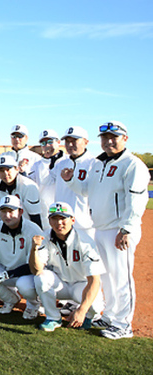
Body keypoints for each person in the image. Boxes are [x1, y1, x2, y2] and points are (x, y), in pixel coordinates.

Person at [62, 121, 149, 339]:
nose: (109, 141)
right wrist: (70, 180)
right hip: (99, 228)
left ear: (125, 139)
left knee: (121, 278)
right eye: (105, 138)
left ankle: (123, 324)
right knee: (107, 277)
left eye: (114, 137)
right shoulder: (98, 163)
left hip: (119, 229)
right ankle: (110, 316)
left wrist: (127, 228)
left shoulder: (132, 164)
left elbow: (137, 200)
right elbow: (85, 190)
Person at [29, 202, 105, 332]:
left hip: (81, 284)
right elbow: (36, 270)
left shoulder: (85, 241)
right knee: (41, 278)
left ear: (72, 220)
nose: (59, 223)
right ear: (49, 220)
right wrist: (34, 249)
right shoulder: (45, 237)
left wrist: (82, 310)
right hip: (60, 283)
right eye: (55, 218)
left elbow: (94, 280)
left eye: (63, 218)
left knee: (96, 306)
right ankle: (53, 318)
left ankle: (87, 317)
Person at [0, 195, 43, 319]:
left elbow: (34, 267)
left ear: (20, 212)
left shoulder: (33, 230)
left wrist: (6, 275)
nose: (7, 215)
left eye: (11, 211)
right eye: (3, 211)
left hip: (28, 275)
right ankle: (10, 299)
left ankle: (33, 305)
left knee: (23, 285)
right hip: (7, 270)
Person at [50, 126, 96, 235]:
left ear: (86, 142)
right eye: (67, 141)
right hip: (62, 224)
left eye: (74, 140)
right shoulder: (60, 164)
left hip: (85, 226)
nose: (70, 145)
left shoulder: (94, 164)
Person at [0, 155, 42, 228]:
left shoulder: (29, 186)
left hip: (28, 229)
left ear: (17, 169)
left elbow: (35, 216)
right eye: (1, 170)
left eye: (8, 169)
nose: (5, 173)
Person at [29, 130, 64, 224]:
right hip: (46, 213)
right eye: (43, 143)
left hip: (65, 211)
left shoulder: (67, 161)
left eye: (50, 142)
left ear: (58, 142)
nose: (47, 146)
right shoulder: (36, 165)